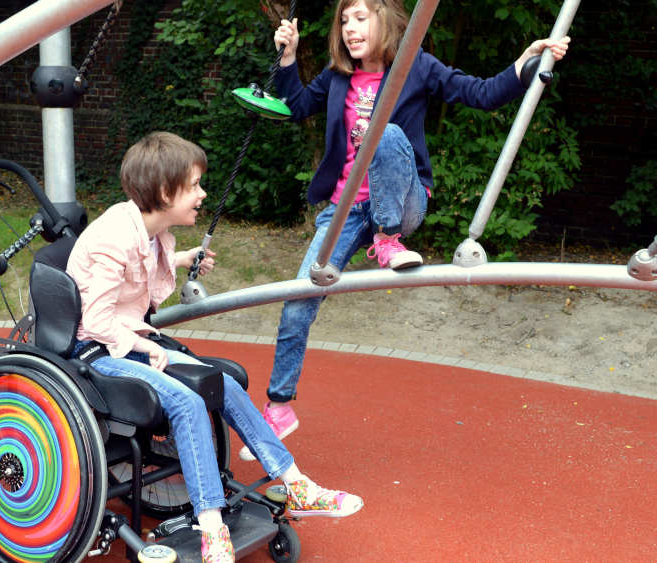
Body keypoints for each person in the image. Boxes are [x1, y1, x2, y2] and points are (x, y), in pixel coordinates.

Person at [239, 0, 571, 462]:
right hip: (343, 210)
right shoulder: (337, 78)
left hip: (403, 200)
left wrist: (525, 60)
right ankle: (278, 408)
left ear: (387, 21)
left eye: (361, 17)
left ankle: (388, 237)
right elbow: (295, 108)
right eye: (344, 20)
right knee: (299, 301)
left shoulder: (416, 67)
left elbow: (480, 93)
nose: (351, 29)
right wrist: (290, 57)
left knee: (387, 134)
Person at [67, 131, 363, 563]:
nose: (203, 194)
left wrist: (183, 258)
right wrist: (144, 348)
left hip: (128, 337)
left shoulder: (152, 229)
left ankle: (297, 486)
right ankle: (211, 528)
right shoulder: (116, 236)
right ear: (166, 191)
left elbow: (142, 270)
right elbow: (95, 322)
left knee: (222, 382)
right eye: (194, 186)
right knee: (187, 402)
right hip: (98, 350)